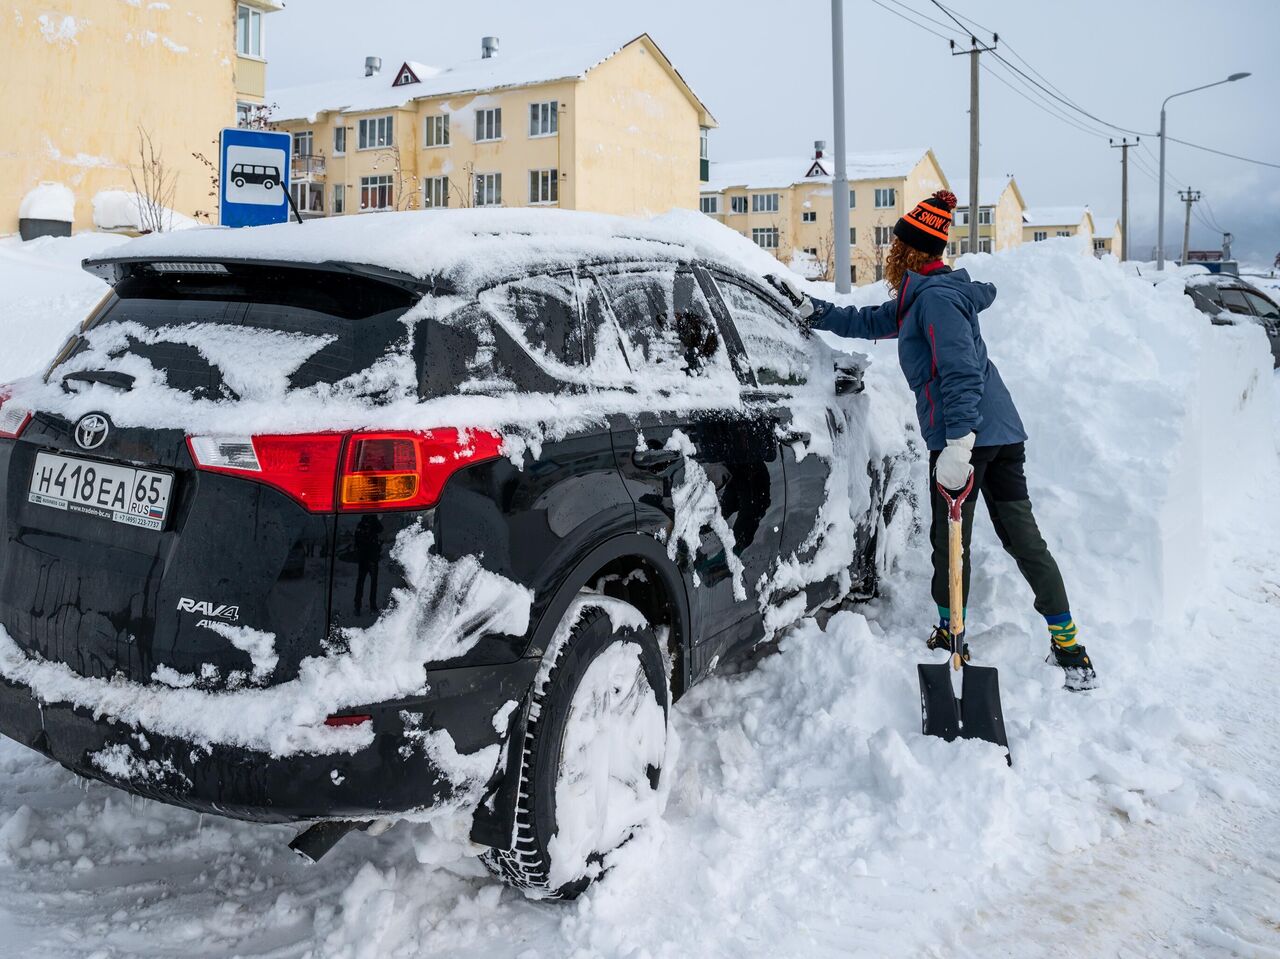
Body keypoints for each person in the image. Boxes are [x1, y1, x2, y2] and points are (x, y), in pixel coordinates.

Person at [765, 190, 1097, 691]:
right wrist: (810, 308)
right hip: (1001, 433)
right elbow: (869, 321)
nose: (890, 252)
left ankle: (950, 633)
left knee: (951, 541)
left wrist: (959, 445)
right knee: (1023, 540)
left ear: (910, 250)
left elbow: (961, 372)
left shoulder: (936, 300)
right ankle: (1069, 647)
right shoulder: (922, 296)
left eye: (895, 245)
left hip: (968, 436)